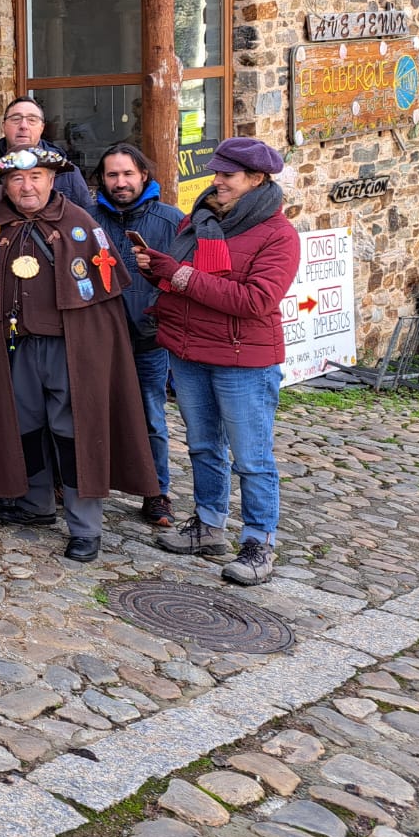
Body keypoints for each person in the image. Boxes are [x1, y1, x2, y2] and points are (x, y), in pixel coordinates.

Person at [0, 147, 158, 562]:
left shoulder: (79, 225)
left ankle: (85, 527)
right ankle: (36, 504)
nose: (26, 186)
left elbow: (102, 295)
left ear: (51, 180)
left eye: (35, 178)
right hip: (16, 346)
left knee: (73, 433)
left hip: (69, 349)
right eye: (17, 179)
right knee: (25, 426)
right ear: (6, 185)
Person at [138, 138, 298, 586]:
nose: (217, 181)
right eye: (217, 172)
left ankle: (259, 542)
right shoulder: (200, 219)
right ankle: (208, 528)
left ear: (256, 179)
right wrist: (158, 268)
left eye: (227, 175)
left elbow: (255, 300)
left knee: (251, 457)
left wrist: (180, 274)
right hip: (190, 352)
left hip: (243, 360)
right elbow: (184, 282)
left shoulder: (277, 235)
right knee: (204, 447)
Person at [91, 143, 185, 527]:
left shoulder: (170, 221)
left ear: (143, 175)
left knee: (150, 418)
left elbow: (182, 278)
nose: (120, 182)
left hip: (148, 337)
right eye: (112, 175)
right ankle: (89, 481)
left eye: (127, 174)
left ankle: (155, 491)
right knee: (92, 413)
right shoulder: (87, 218)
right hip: (99, 338)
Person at [0, 96, 93, 211]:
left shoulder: (66, 172)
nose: (23, 126)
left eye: (32, 120)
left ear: (42, 127)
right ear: (4, 126)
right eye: (16, 119)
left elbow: (87, 217)